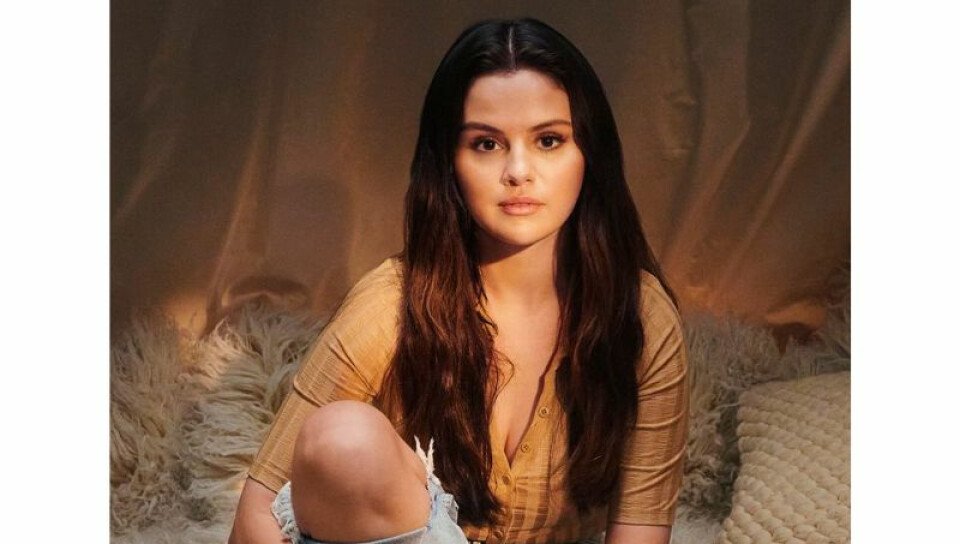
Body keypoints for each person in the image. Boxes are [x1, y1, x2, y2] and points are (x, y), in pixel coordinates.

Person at [229, 17, 688, 544]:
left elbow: (640, 532)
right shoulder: (392, 304)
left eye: (548, 140)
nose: (518, 171)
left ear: (590, 154)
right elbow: (254, 517)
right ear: (449, 161)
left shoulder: (641, 315)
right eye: (487, 144)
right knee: (341, 438)